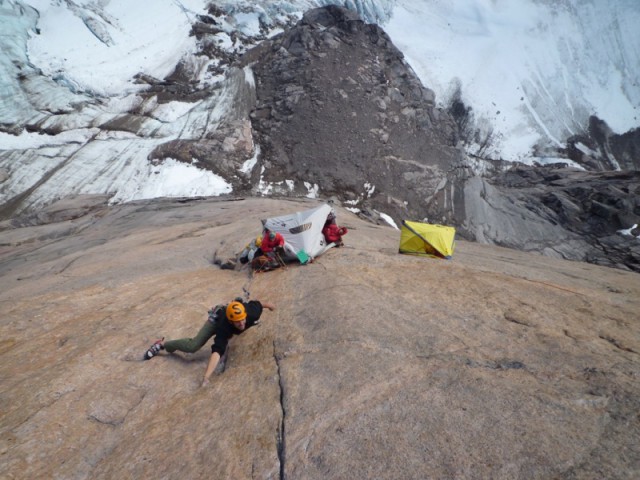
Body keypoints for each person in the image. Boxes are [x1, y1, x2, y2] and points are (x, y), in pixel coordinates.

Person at [143, 299, 276, 387]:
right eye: (237, 322)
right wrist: (207, 376)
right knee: (193, 346)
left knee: (245, 325)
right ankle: (162, 344)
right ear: (231, 322)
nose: (241, 323)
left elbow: (258, 304)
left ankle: (235, 308)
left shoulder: (251, 313)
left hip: (233, 311)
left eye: (243, 319)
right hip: (217, 320)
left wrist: (269, 306)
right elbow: (217, 351)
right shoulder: (224, 327)